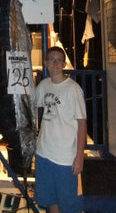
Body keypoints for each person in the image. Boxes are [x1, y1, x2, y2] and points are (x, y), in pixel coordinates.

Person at [34, 46, 87, 213]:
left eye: (59, 60)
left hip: (65, 158)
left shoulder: (73, 89)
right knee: (50, 200)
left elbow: (82, 123)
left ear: (64, 64)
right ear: (45, 63)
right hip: (43, 153)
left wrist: (79, 157)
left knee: (69, 205)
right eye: (51, 59)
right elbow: (29, 105)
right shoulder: (43, 85)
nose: (55, 63)